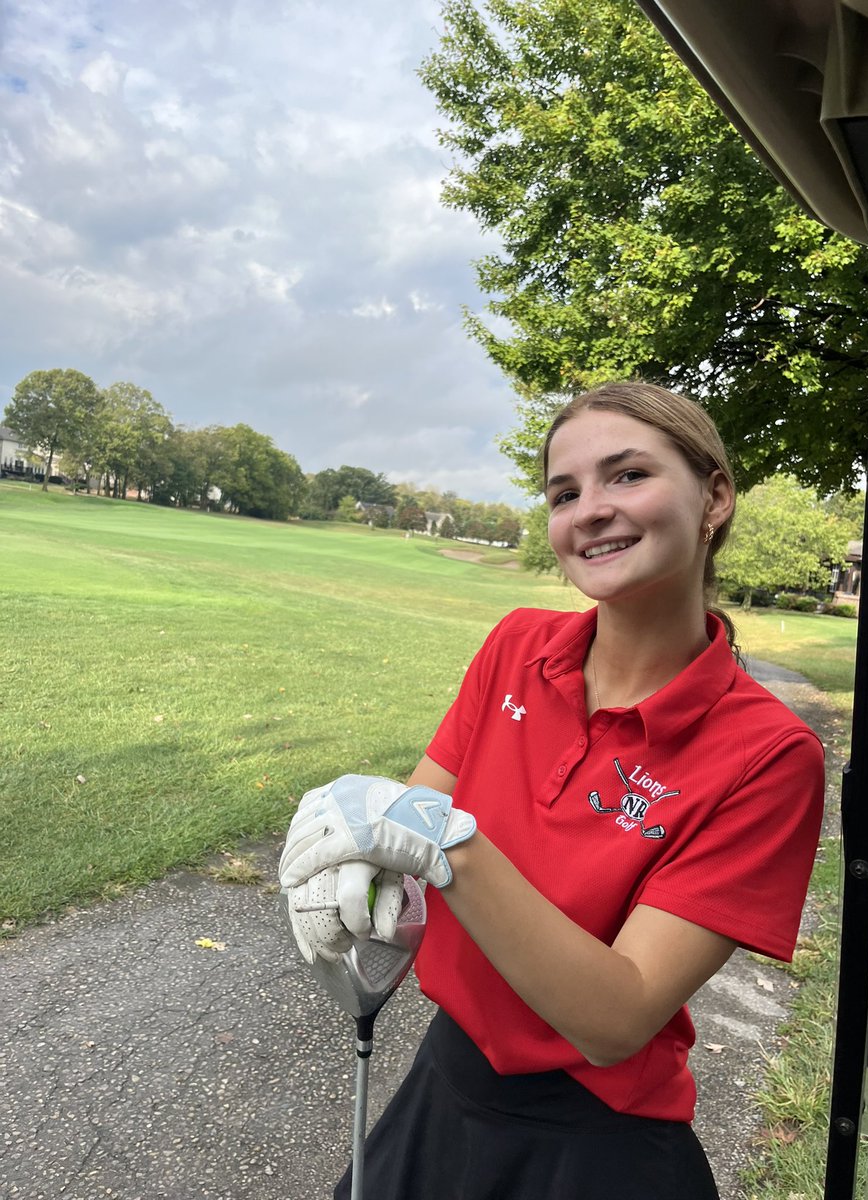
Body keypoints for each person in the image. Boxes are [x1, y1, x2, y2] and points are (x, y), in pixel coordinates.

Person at [279, 381, 825, 1199]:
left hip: (596, 1143)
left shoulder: (770, 754)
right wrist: (362, 892)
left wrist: (441, 842)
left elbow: (615, 1019)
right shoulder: (516, 645)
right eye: (565, 492)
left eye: (628, 475)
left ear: (715, 497)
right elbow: (408, 841)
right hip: (445, 1081)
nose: (590, 510)